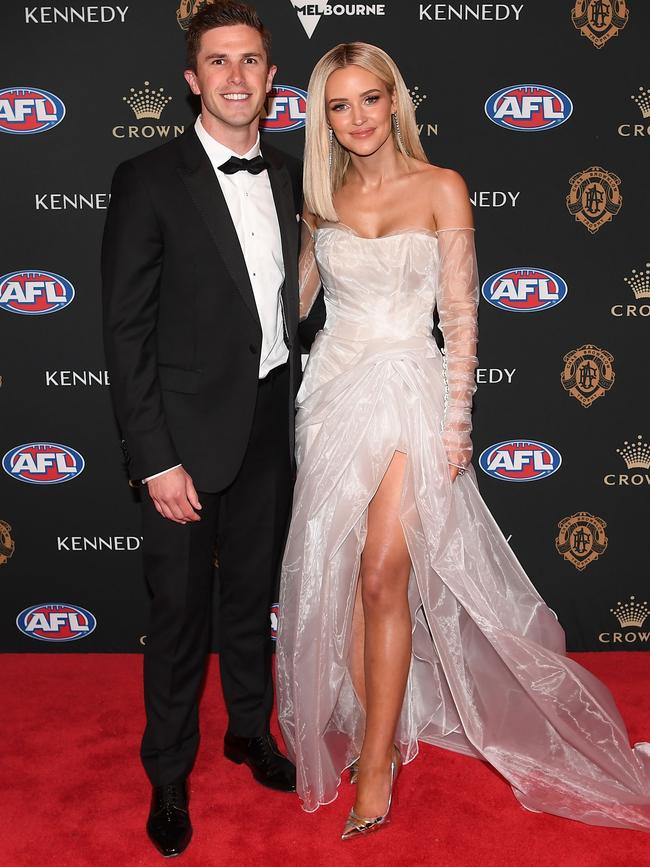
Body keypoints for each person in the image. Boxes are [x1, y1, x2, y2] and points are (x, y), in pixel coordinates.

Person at [276, 41, 650, 839]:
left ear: (394, 99)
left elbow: (462, 320)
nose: (357, 118)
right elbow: (290, 301)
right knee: (343, 576)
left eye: (369, 99)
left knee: (383, 568)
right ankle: (379, 724)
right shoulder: (320, 196)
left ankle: (375, 763)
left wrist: (457, 425)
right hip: (332, 395)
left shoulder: (442, 186)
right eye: (339, 106)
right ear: (325, 119)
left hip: (411, 388)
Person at [102, 3, 302, 857]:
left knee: (249, 596)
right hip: (183, 440)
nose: (233, 76)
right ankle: (169, 772)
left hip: (268, 422)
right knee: (179, 612)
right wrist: (155, 460)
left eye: (249, 61)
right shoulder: (148, 178)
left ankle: (248, 730)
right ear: (193, 79)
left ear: (269, 79)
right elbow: (125, 332)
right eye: (217, 61)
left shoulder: (289, 172)